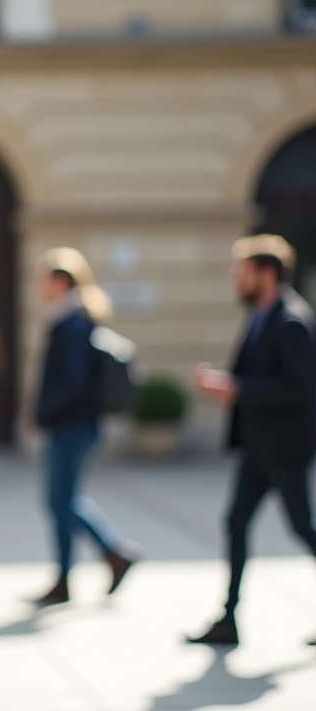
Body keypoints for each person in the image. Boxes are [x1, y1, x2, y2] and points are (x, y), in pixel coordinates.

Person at [187, 235, 316, 647]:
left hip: (285, 447)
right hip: (258, 447)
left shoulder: (291, 320)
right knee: (236, 523)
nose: (235, 280)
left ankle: (228, 615)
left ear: (267, 273)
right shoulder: (261, 316)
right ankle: (229, 617)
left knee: (302, 527)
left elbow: (299, 387)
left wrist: (238, 388)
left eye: (242, 272)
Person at [32, 248, 140, 606]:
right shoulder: (70, 319)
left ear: (61, 282)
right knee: (63, 501)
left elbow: (73, 381)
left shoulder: (72, 323)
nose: (39, 285)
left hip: (72, 427)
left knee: (60, 501)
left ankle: (111, 553)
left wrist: (45, 412)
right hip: (74, 425)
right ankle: (73, 573)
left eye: (44, 278)